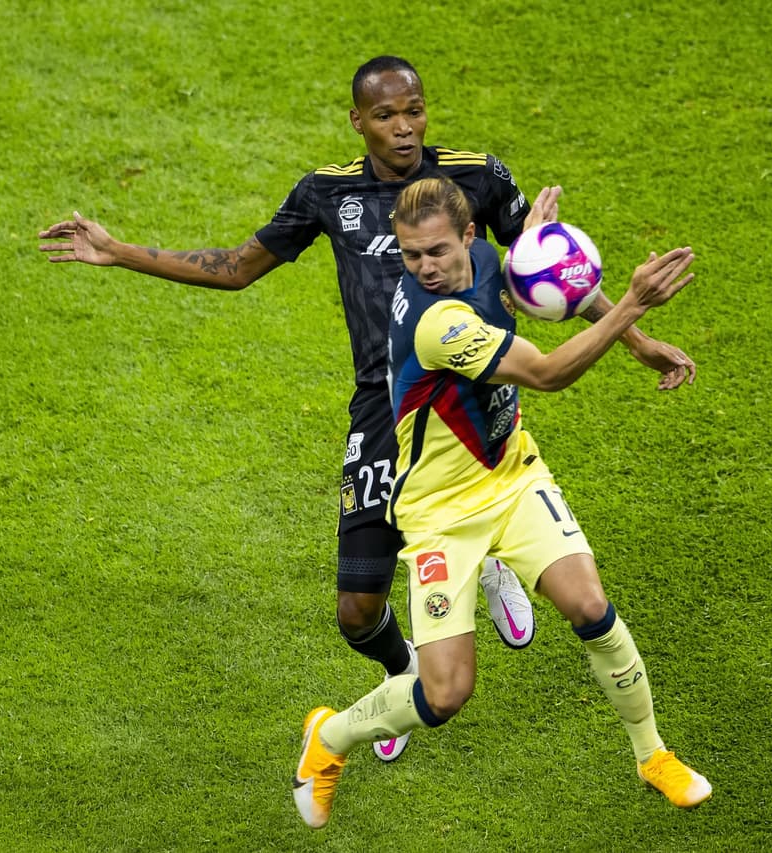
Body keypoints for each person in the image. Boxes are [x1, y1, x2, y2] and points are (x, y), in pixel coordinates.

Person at [39, 56, 694, 763]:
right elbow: (236, 267)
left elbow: (546, 266)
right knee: (356, 611)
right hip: (386, 409)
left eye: (414, 110)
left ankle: (494, 559)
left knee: (525, 536)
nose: (404, 127)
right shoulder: (328, 193)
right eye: (385, 115)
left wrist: (639, 341)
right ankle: (401, 671)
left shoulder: (476, 177)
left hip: (473, 393)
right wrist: (120, 251)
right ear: (358, 121)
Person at [291, 177, 710, 829]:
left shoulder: (485, 261)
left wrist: (543, 256)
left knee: (590, 605)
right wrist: (633, 306)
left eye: (435, 251)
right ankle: (332, 736)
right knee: (446, 690)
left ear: (469, 236)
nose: (423, 267)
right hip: (441, 513)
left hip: (513, 476)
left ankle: (653, 754)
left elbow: (546, 288)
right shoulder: (437, 322)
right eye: (409, 255)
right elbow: (546, 373)